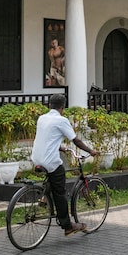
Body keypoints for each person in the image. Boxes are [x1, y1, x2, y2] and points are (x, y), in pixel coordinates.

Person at [30, 93, 98, 236]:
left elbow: (47, 138)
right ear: (63, 107)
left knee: (53, 177)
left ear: (50, 105)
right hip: (50, 161)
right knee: (60, 190)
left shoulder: (42, 118)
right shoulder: (61, 120)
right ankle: (67, 226)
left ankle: (44, 197)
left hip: (36, 158)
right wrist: (90, 150)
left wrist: (60, 147)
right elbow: (76, 141)